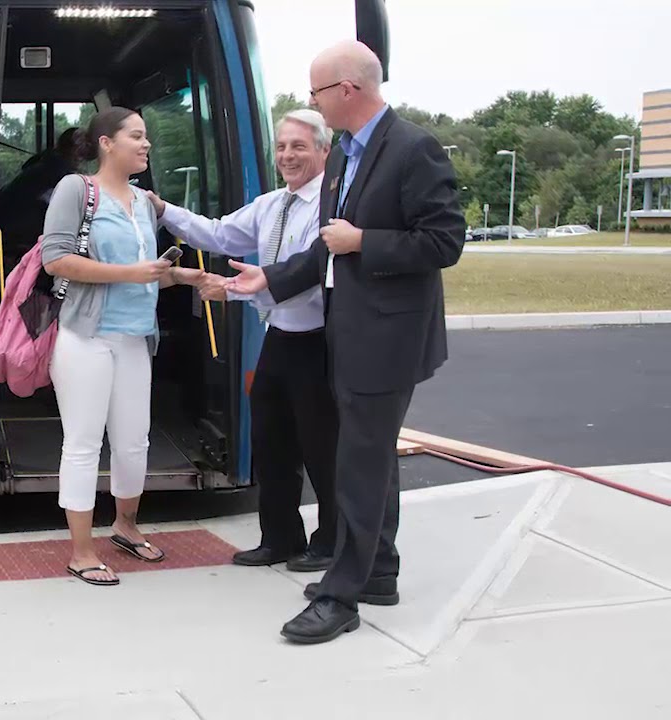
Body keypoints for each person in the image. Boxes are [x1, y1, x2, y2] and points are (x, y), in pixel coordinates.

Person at [224, 40, 464, 643]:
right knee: (373, 460)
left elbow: (444, 242)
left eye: (316, 92)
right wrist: (269, 279)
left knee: (356, 464)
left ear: (348, 91)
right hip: (349, 335)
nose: (312, 102)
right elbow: (324, 247)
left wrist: (367, 243)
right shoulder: (344, 160)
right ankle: (378, 572)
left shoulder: (413, 149)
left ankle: (342, 594)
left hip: (388, 339)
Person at [147, 109, 340, 573]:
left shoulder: (331, 207)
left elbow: (313, 274)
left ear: (324, 151)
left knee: (322, 449)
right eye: (281, 147)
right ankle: (280, 539)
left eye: (299, 146)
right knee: (271, 444)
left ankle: (332, 541)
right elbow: (216, 233)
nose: (287, 156)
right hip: (279, 337)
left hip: (318, 342)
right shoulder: (271, 204)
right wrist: (162, 209)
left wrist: (231, 290)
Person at [40, 107, 205, 586]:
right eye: (136, 136)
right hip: (86, 338)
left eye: (147, 136)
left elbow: (150, 272)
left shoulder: (143, 202)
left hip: (136, 337)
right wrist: (133, 273)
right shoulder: (77, 190)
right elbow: (57, 260)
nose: (146, 144)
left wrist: (187, 276)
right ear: (106, 144)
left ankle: (126, 526)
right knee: (85, 443)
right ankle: (81, 550)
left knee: (135, 441)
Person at [0, 127, 83, 269]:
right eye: (84, 145)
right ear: (75, 149)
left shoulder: (44, 164)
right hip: (18, 234)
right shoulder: (56, 174)